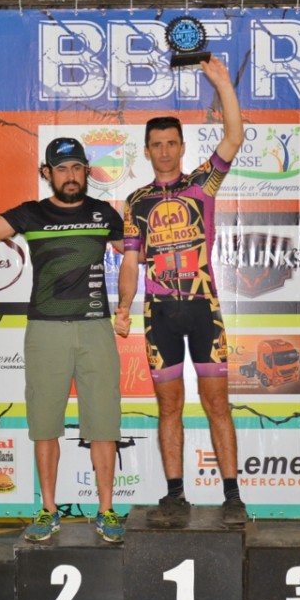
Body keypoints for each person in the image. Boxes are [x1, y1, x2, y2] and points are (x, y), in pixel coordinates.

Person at [0, 137, 126, 544]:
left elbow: (137, 252)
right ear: (47, 173)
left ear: (87, 172)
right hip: (45, 331)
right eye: (62, 168)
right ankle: (48, 510)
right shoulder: (31, 213)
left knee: (104, 425)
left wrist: (129, 302)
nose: (70, 176)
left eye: (77, 168)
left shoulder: (105, 213)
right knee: (44, 425)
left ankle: (106, 510)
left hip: (96, 328)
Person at [115, 56, 247, 529]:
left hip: (203, 308)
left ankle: (233, 496)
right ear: (147, 151)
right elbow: (130, 259)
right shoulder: (136, 201)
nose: (165, 151)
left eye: (172, 143)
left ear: (182, 147)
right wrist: (122, 307)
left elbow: (234, 137)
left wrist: (223, 84)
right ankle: (175, 495)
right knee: (169, 407)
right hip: (160, 315)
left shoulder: (201, 185)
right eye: (157, 145)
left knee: (217, 405)